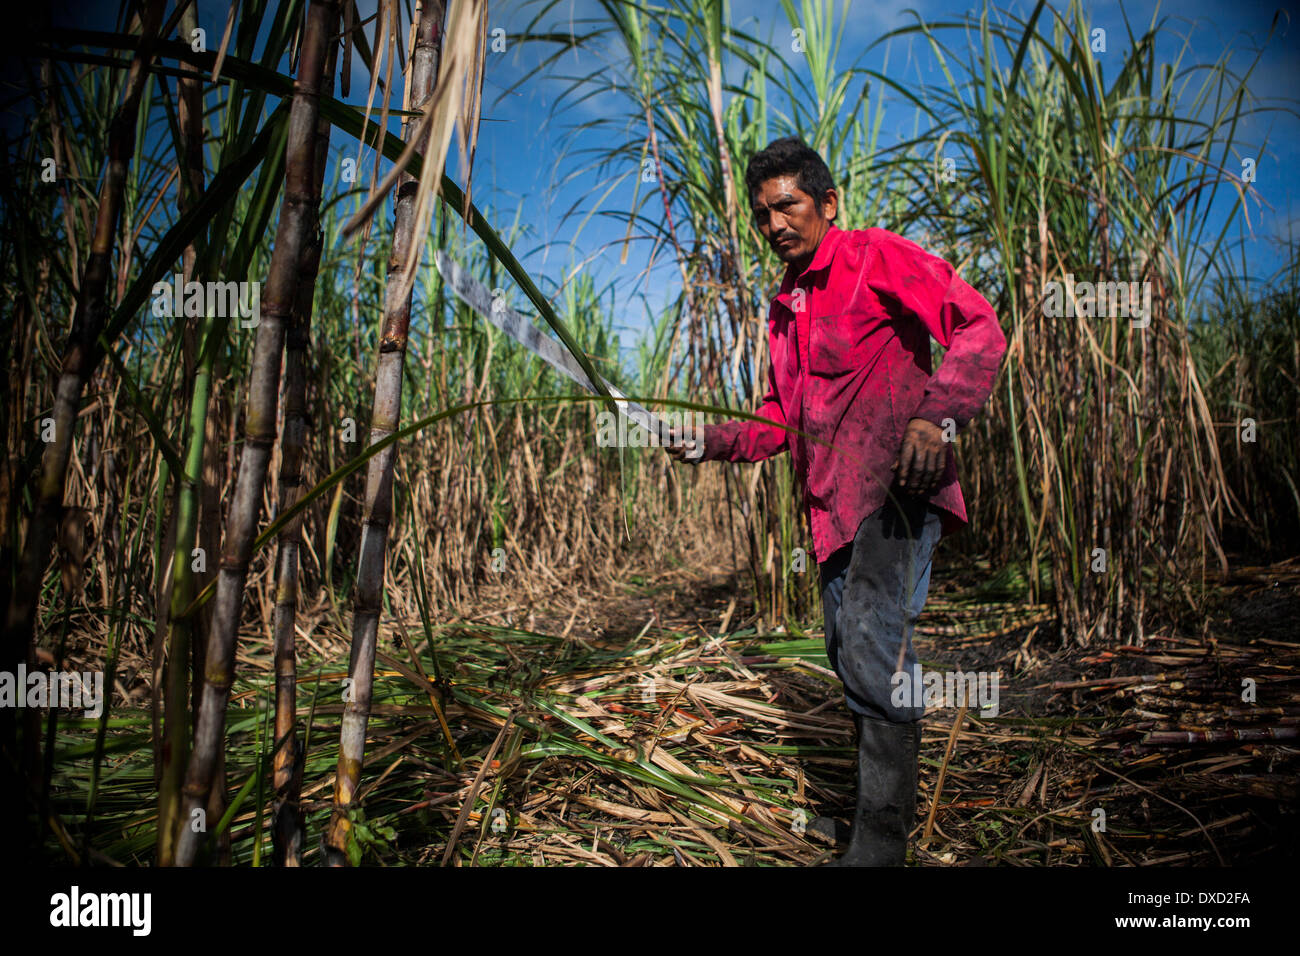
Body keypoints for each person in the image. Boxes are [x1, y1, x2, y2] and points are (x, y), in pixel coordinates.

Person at [665, 137, 1006, 865]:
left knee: (873, 650)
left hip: (896, 490)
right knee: (847, 650)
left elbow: (979, 325)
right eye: (762, 214)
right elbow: (773, 423)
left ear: (827, 203)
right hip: (830, 511)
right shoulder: (784, 307)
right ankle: (867, 822)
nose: (774, 224)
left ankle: (881, 845)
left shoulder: (877, 256)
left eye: (786, 204)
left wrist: (934, 415)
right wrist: (701, 439)